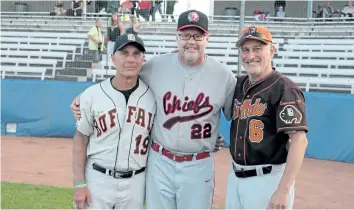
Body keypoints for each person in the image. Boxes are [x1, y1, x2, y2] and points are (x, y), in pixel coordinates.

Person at [70, 9, 236, 209]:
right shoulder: (156, 66)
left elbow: (237, 115)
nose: (191, 41)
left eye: (198, 35)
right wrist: (85, 98)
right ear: (177, 37)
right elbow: (124, 75)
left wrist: (212, 136)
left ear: (206, 38)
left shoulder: (224, 76)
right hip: (160, 161)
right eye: (185, 35)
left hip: (198, 163)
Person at [225, 25, 309, 209]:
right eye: (245, 50)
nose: (250, 55)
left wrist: (283, 190)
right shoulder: (238, 84)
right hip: (235, 177)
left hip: (267, 180)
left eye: (257, 48)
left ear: (271, 50)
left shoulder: (284, 88)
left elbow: (299, 141)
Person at [72, 33, 157, 209]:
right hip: (98, 178)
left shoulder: (153, 96)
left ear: (143, 60)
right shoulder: (92, 95)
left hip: (136, 182)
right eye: (124, 53)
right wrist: (79, 184)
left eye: (136, 54)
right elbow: (80, 140)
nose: (130, 59)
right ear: (113, 58)